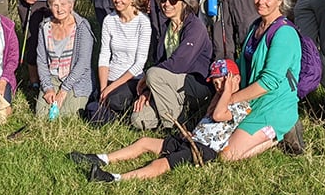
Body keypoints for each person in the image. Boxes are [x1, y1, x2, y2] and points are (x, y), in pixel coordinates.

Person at [69, 59, 250, 182]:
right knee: (145, 142)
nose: (218, 87)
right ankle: (100, 158)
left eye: (222, 82)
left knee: (161, 163)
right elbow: (211, 114)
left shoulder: (242, 105)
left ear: (236, 80)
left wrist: (228, 90)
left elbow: (219, 116)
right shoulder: (219, 98)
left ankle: (113, 178)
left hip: (203, 150)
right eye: (216, 83)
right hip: (191, 140)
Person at [221, 0, 302, 161]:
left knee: (227, 155)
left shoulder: (284, 33)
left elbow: (269, 82)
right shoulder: (255, 26)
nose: (260, 2)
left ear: (280, 0)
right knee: (216, 141)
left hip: (274, 105)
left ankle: (276, 137)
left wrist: (231, 99)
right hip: (252, 101)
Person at [131, 0, 213, 130]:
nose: (166, 4)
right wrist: (149, 89)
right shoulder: (166, 27)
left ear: (184, 3)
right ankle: (180, 115)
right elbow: (160, 62)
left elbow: (179, 64)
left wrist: (148, 78)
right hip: (169, 84)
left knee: (153, 74)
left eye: (173, 0)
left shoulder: (195, 27)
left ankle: (175, 128)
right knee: (139, 119)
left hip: (194, 83)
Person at [85, 0, 151, 124]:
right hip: (110, 76)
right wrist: (104, 88)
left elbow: (140, 63)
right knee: (96, 99)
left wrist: (110, 89)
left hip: (131, 78)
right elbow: (104, 56)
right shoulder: (109, 20)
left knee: (113, 100)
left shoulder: (143, 23)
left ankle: (111, 114)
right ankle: (104, 112)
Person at [36, 0, 94, 119]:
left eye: (63, 4)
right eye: (55, 5)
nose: (59, 9)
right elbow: (41, 60)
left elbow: (83, 63)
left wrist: (64, 90)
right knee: (42, 115)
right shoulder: (45, 26)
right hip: (53, 77)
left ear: (71, 5)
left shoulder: (82, 27)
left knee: (67, 116)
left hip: (76, 80)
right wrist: (47, 87)